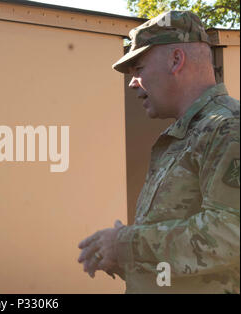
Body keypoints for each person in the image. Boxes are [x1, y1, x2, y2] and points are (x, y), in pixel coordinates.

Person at [77, 11, 239, 293]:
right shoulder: (187, 132)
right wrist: (127, 260)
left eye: (138, 70)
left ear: (176, 60)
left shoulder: (227, 127)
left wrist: (126, 244)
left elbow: (230, 234)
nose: (131, 83)